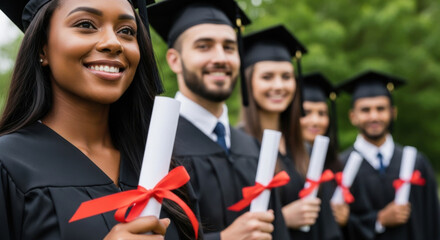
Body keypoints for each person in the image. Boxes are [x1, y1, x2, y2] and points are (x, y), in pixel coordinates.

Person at [0, 0, 201, 239]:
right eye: (86, 24)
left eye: (126, 31)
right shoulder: (8, 165)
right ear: (42, 48)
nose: (113, 43)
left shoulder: (160, 167)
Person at [148, 1, 290, 239]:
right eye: (204, 46)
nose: (220, 58)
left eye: (229, 47)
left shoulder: (251, 147)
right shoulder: (157, 147)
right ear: (174, 60)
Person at [240, 25, 343, 240]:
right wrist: (282, 218)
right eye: (267, 77)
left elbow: (326, 225)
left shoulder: (303, 148)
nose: (279, 85)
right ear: (249, 82)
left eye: (286, 77)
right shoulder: (236, 146)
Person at [338, 70, 440, 240]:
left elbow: (433, 222)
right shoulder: (340, 166)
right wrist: (380, 220)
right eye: (365, 110)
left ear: (393, 112)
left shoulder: (416, 162)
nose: (374, 116)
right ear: (353, 116)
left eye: (380, 109)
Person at [301, 72, 347, 229]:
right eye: (306, 113)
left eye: (322, 113)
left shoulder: (336, 165)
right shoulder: (282, 163)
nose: (315, 121)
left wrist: (345, 218)